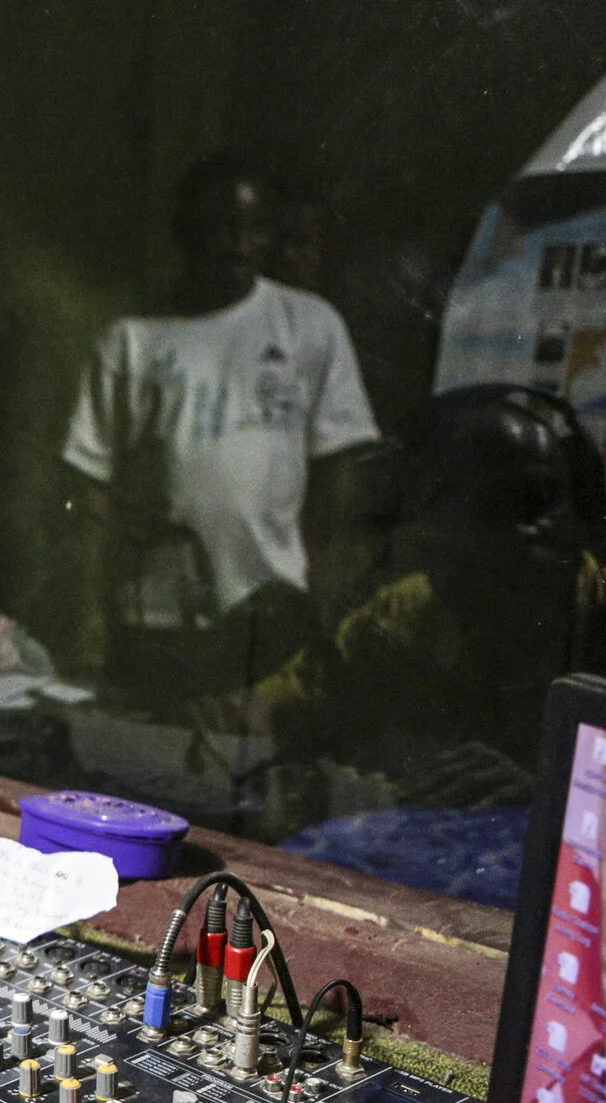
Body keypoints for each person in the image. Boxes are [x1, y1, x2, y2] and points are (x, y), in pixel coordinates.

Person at [253, 385, 606, 798]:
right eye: (490, 509)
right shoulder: (404, 617)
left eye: (541, 501)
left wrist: (559, 795)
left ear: (582, 514)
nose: (526, 532)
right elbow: (273, 709)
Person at [56, 154, 380, 699]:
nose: (238, 244)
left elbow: (340, 471)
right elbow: (90, 487)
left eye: (254, 229)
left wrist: (329, 600)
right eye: (221, 227)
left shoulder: (310, 326)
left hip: (271, 614)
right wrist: (89, 616)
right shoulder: (132, 338)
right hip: (155, 620)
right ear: (187, 233)